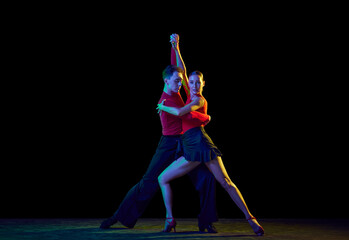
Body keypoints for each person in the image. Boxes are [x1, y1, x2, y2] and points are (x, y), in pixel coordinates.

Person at [156, 34, 264, 236]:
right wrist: (176, 47)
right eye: (192, 82)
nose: (194, 85)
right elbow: (184, 70)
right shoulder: (189, 95)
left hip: (199, 146)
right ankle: (170, 220)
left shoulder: (197, 100)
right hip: (193, 146)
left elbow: (180, 112)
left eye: (198, 83)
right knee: (166, 178)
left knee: (226, 182)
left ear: (204, 84)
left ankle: (251, 219)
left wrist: (162, 106)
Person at [99, 52, 219, 232]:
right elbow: (183, 113)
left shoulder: (177, 90)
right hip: (169, 144)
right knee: (148, 182)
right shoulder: (164, 101)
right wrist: (206, 116)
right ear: (166, 81)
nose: (182, 83)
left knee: (207, 177)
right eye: (177, 81)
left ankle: (206, 222)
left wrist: (175, 47)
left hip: (187, 142)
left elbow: (179, 69)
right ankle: (119, 215)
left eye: (181, 81)